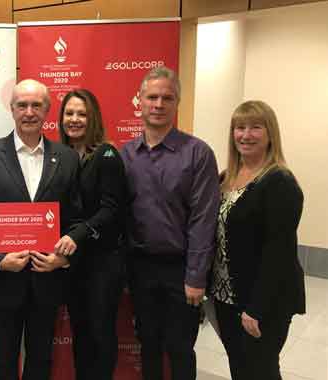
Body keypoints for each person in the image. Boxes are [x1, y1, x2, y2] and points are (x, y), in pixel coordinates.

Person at [0, 79, 87, 380]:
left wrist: (64, 257)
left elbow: (75, 219)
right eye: (22, 105)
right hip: (4, 279)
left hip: (46, 279)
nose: (29, 111)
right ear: (12, 109)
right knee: (4, 359)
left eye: (37, 105)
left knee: (41, 359)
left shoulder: (68, 157)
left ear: (47, 110)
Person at [120, 66, 220, 380]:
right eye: (152, 97)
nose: (158, 104)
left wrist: (196, 276)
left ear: (177, 103)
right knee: (147, 344)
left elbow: (204, 219)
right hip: (140, 269)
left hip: (181, 270)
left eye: (167, 97)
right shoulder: (125, 155)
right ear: (139, 101)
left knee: (180, 348)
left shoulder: (198, 154)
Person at [210, 100, 305, 380]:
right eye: (240, 127)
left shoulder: (280, 182)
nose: (246, 134)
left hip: (261, 302)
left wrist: (257, 308)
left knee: (261, 370)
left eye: (255, 127)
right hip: (226, 296)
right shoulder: (226, 178)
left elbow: (279, 252)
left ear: (270, 134)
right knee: (240, 367)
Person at [57, 89, 128, 380]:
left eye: (82, 114)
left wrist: (79, 235)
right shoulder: (60, 157)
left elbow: (112, 208)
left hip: (103, 260)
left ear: (93, 118)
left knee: (100, 331)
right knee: (80, 331)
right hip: (72, 261)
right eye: (69, 113)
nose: (74, 119)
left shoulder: (107, 154)